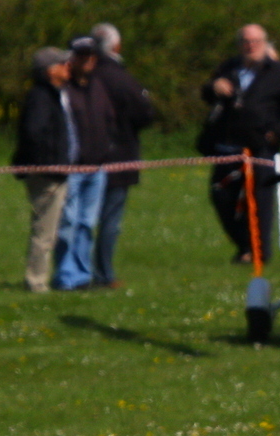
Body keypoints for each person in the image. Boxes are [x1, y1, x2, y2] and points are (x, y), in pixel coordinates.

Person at [199, 24, 280, 263]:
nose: (251, 46)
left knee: (259, 202)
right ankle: (244, 245)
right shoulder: (229, 68)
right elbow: (206, 94)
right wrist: (213, 87)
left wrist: (277, 133)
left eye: (256, 41)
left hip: (262, 148)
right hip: (228, 147)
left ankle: (258, 253)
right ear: (239, 45)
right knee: (221, 196)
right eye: (246, 41)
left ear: (265, 44)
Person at [89, 22, 156, 288]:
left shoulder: (84, 73)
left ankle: (77, 271)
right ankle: (104, 273)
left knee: (80, 218)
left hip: (84, 156)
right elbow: (145, 113)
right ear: (117, 46)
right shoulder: (120, 78)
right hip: (119, 155)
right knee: (109, 218)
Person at [51, 37, 115, 291]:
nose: (88, 61)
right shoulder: (64, 89)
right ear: (72, 59)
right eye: (82, 56)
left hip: (97, 167)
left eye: (92, 56)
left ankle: (81, 274)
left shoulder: (99, 86)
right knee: (68, 223)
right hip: (72, 168)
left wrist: (108, 148)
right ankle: (66, 276)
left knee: (87, 224)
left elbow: (110, 119)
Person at [12, 47, 74, 293]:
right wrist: (48, 163)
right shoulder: (40, 97)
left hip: (54, 171)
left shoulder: (51, 94)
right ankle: (36, 281)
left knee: (49, 229)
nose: (68, 67)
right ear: (50, 70)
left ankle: (39, 279)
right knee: (44, 231)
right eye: (63, 63)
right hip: (46, 174)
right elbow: (33, 133)